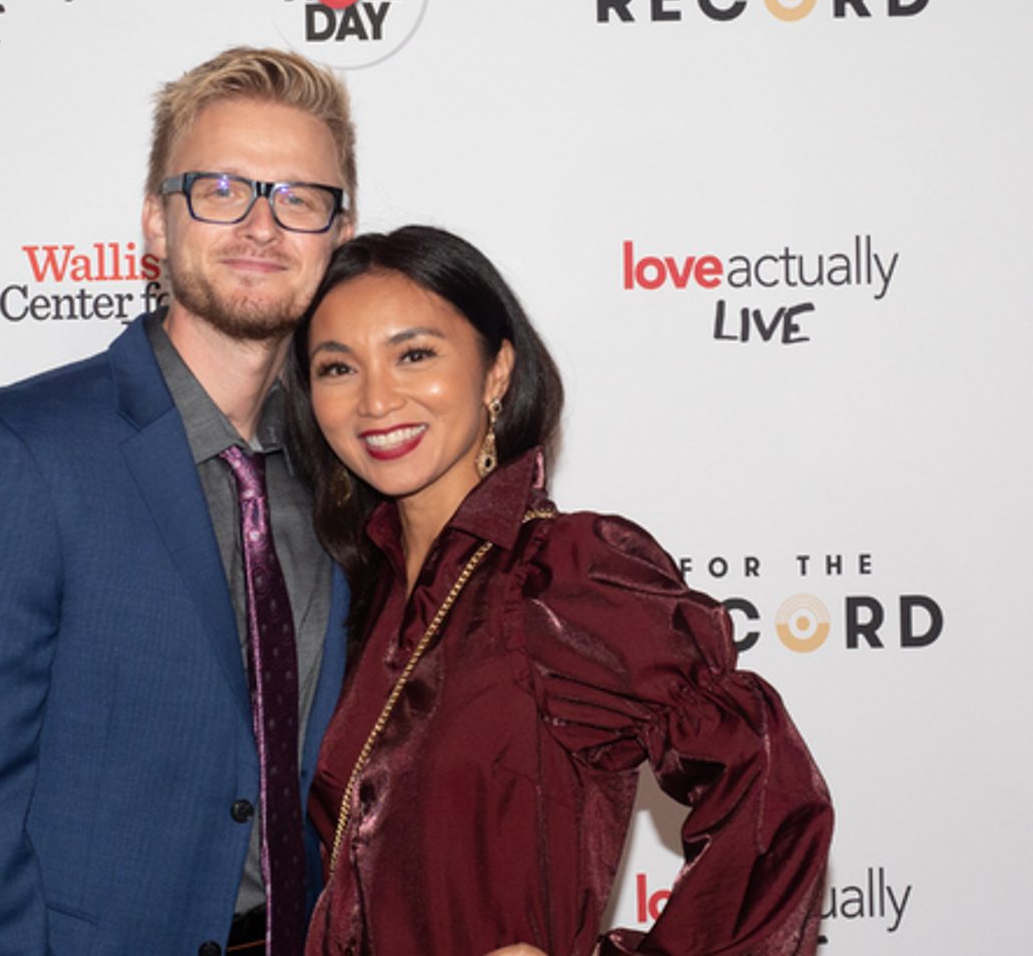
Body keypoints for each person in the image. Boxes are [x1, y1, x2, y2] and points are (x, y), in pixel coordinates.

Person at [0, 47, 359, 956]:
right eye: (221, 188)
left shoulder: (341, 469)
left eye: (299, 198)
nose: (262, 225)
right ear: (155, 221)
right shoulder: (15, 454)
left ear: (337, 236)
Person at [285, 225, 835, 956]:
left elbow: (775, 798)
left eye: (414, 354)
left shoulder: (563, 573)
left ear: (497, 372)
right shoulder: (358, 591)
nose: (376, 399)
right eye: (337, 368)